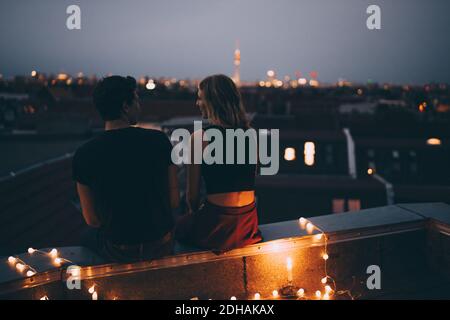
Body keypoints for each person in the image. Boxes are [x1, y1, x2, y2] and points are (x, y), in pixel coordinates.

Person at [72, 75, 179, 262]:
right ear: (125, 106)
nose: (139, 105)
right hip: (161, 243)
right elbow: (174, 201)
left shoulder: (84, 154)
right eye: (136, 100)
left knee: (85, 236)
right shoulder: (158, 140)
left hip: (119, 248)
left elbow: (92, 220)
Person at [175, 74, 262, 251]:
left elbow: (192, 197)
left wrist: (194, 216)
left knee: (177, 228)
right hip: (248, 222)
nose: (197, 104)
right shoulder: (251, 135)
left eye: (200, 98)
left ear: (213, 102)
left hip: (217, 225)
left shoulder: (200, 138)